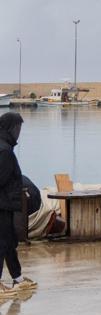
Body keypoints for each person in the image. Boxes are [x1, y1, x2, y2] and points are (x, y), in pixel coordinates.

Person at [0, 112, 36, 297]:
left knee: (9, 241)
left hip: (5, 204)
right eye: (18, 128)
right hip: (3, 205)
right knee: (2, 243)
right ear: (10, 128)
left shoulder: (4, 147)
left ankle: (17, 279)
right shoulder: (4, 151)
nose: (19, 132)